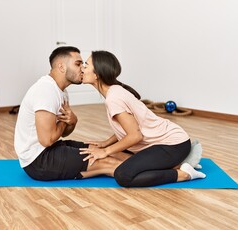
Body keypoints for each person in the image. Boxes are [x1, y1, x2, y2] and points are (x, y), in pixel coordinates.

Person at [79, 50, 206, 187]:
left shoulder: (113, 97)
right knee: (118, 155)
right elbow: (127, 126)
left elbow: (135, 135)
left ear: (97, 74)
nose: (82, 68)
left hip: (173, 145)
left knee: (123, 175)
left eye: (86, 65)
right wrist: (106, 143)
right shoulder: (114, 91)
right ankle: (178, 162)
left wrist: (105, 151)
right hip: (165, 144)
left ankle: (184, 173)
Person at [14, 46, 123, 181]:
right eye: (78, 64)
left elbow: (64, 133)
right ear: (62, 67)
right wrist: (65, 121)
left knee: (103, 151)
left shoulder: (61, 91)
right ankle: (150, 173)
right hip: (39, 161)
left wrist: (72, 121)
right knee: (111, 163)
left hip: (51, 149)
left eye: (83, 64)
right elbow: (47, 140)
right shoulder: (45, 91)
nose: (82, 68)